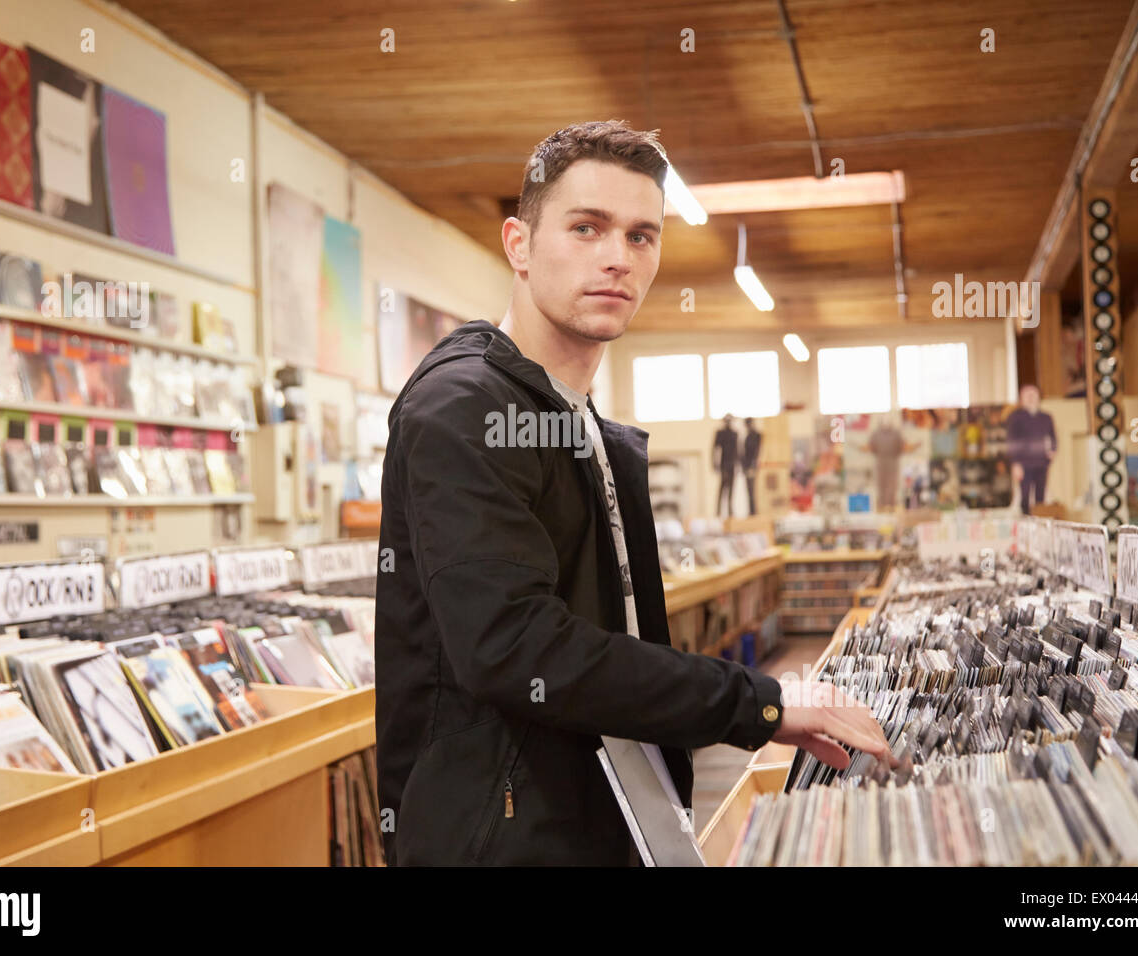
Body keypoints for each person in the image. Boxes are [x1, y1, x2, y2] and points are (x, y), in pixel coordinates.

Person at [375, 120, 893, 866]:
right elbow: (515, 647)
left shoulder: (582, 424)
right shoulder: (464, 410)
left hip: (598, 817)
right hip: (499, 840)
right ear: (518, 245)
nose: (617, 258)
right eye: (587, 228)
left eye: (641, 236)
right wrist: (760, 703)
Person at [1005, 384, 1056, 515]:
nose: (1031, 398)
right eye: (1027, 395)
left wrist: (1053, 451)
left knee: (1041, 494)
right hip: (1024, 463)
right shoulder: (1015, 417)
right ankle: (1026, 520)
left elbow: (1053, 437)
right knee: (1025, 495)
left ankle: (1040, 519)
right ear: (1021, 398)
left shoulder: (1046, 417)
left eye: (1033, 395)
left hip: (1041, 462)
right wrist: (1015, 463)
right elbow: (1011, 440)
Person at [713, 414, 739, 517]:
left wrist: (738, 464)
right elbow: (715, 449)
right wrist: (715, 464)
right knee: (722, 489)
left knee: (731, 490)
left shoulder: (734, 433)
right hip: (724, 464)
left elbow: (737, 450)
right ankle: (718, 511)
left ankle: (730, 511)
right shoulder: (720, 433)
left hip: (732, 465)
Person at [741, 417, 762, 515]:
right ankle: (752, 511)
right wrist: (745, 467)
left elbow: (758, 451)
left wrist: (754, 465)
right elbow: (744, 454)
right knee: (749, 490)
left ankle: (755, 511)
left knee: (755, 490)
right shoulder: (747, 437)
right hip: (747, 467)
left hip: (755, 467)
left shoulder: (757, 435)